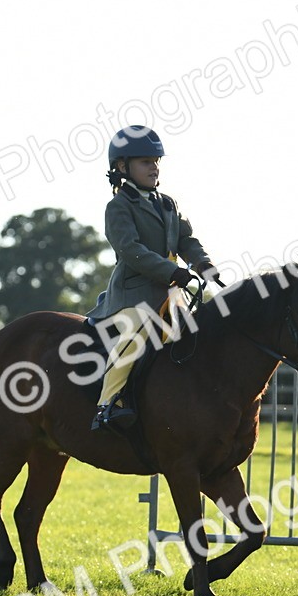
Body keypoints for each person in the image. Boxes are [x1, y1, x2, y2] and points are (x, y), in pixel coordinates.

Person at [88, 126, 217, 431]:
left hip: (173, 296)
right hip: (134, 295)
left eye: (156, 160)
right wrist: (173, 271)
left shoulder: (168, 203)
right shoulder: (118, 207)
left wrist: (203, 262)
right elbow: (131, 251)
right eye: (145, 161)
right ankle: (107, 405)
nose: (154, 167)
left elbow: (186, 239)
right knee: (136, 331)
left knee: (205, 336)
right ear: (122, 167)